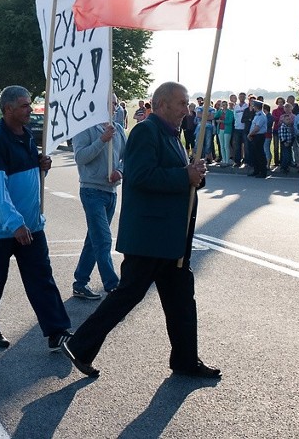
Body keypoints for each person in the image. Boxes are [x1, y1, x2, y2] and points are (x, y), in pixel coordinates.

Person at [62, 81, 220, 380]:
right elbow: (142, 177)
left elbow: (179, 178)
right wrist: (183, 174)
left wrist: (195, 174)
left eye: (187, 103)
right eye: (182, 103)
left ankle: (185, 360)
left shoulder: (171, 134)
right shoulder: (146, 131)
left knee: (181, 301)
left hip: (170, 238)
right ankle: (80, 345)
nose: (188, 109)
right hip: (150, 236)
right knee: (127, 295)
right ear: (161, 104)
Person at [0, 85, 72, 350]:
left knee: (42, 278)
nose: (31, 109)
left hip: (31, 226)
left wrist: (43, 169)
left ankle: (57, 331)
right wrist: (14, 222)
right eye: (24, 105)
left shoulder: (28, 136)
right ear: (8, 109)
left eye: (30, 104)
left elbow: (29, 181)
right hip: (3, 229)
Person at [70, 97, 126, 300]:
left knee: (93, 240)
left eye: (115, 103)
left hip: (111, 192)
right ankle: (112, 285)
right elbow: (81, 157)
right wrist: (102, 141)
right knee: (102, 240)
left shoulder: (118, 128)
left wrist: (120, 171)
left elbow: (127, 157)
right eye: (109, 102)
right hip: (92, 190)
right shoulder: (85, 128)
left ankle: (80, 282)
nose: (113, 106)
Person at [247, 101, 268, 178]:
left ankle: (263, 172)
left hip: (259, 136)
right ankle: (256, 170)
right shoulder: (257, 115)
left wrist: (250, 134)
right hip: (255, 136)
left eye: (254, 106)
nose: (253, 107)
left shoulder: (261, 115)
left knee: (260, 154)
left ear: (257, 107)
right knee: (255, 154)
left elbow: (257, 128)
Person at [231, 92, 248, 167]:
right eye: (240, 96)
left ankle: (246, 161)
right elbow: (234, 117)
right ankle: (237, 161)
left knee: (246, 146)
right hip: (237, 128)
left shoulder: (247, 106)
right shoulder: (236, 106)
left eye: (243, 97)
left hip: (245, 128)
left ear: (245, 98)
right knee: (237, 146)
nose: (241, 98)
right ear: (238, 97)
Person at [271, 97, 286, 164]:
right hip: (276, 129)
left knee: (283, 146)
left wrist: (280, 119)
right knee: (276, 146)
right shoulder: (274, 111)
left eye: (281, 102)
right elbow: (274, 118)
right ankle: (276, 161)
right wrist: (281, 118)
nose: (280, 103)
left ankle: (283, 160)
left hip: (283, 130)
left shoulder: (285, 110)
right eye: (279, 102)